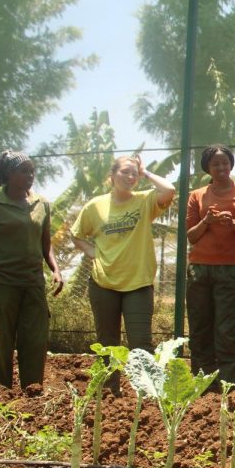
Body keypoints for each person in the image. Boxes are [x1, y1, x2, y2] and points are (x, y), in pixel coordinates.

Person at [0, 151, 63, 390]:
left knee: (35, 340)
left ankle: (32, 393)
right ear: (9, 174)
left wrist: (55, 269)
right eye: (24, 170)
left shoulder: (42, 204)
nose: (30, 175)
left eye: (32, 170)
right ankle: (1, 397)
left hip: (32, 283)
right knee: (2, 341)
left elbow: (45, 244)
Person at [70, 156, 175, 364]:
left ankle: (145, 394)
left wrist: (145, 172)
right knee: (107, 345)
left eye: (134, 174)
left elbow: (169, 190)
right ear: (112, 175)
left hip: (138, 284)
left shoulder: (145, 201)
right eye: (125, 172)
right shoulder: (95, 206)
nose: (130, 176)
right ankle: (110, 392)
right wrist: (92, 252)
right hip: (103, 284)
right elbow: (76, 234)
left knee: (141, 345)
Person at [186, 145, 235, 392]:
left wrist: (234, 223)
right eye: (215, 164)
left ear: (231, 165)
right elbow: (191, 236)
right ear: (207, 168)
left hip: (231, 269)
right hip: (199, 269)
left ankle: (231, 384)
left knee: (227, 328)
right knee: (200, 326)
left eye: (225, 163)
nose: (221, 168)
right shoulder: (197, 196)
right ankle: (202, 383)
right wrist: (207, 221)